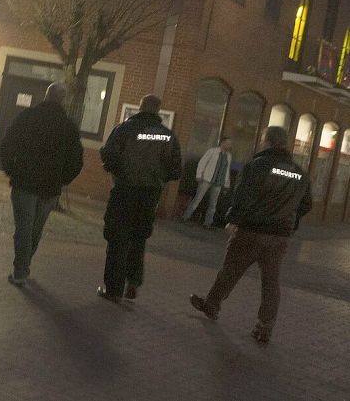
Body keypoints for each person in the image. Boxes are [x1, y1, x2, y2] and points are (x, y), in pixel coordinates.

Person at [190, 126, 311, 344]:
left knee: (230, 270)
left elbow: (242, 196)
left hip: (251, 231)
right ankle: (265, 327)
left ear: (268, 142)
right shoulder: (299, 173)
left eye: (262, 139)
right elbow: (306, 204)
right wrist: (289, 220)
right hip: (279, 237)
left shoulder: (258, 166)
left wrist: (233, 220)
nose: (260, 142)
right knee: (271, 282)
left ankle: (212, 305)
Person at [97, 94, 181, 301]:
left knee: (118, 238)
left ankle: (114, 289)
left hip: (125, 190)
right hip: (150, 194)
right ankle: (133, 282)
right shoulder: (167, 136)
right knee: (138, 237)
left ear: (140, 107)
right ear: (158, 109)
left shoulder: (124, 129)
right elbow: (175, 169)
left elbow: (108, 155)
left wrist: (118, 171)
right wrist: (158, 177)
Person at [0, 81, 83, 286]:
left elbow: (7, 143)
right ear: (63, 99)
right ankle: (24, 266)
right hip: (50, 188)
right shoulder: (68, 126)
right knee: (36, 229)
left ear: (46, 95)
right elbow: (77, 160)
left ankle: (20, 270)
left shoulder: (27, 117)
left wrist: (12, 169)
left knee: (24, 228)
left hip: (24, 182)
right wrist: (63, 179)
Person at [181, 137, 233, 227]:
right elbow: (203, 162)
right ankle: (186, 216)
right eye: (228, 143)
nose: (229, 146)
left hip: (218, 181)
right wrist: (199, 174)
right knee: (198, 198)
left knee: (213, 203)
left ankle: (208, 222)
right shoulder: (212, 151)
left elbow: (226, 170)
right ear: (222, 143)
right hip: (207, 178)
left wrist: (226, 184)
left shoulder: (228, 156)